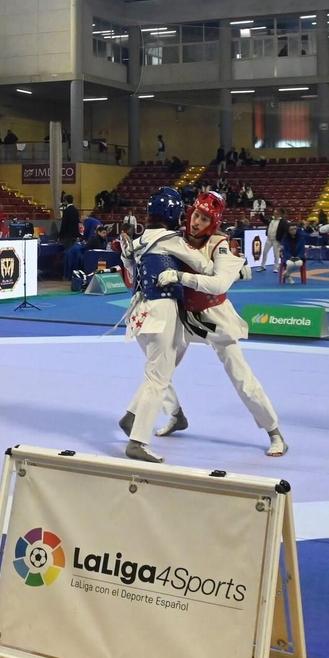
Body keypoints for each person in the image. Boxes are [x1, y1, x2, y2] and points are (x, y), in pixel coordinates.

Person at [159, 189, 287, 457]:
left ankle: (275, 432)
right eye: (196, 215)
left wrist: (180, 276)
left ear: (213, 223)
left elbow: (218, 283)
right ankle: (176, 414)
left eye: (205, 219)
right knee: (158, 372)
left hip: (215, 317)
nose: (197, 222)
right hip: (183, 316)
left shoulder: (221, 244)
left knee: (241, 378)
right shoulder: (176, 237)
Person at [115, 188, 204, 463]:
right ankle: (138, 440)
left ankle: (147, 415)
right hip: (162, 312)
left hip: (140, 313)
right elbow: (203, 266)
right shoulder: (171, 240)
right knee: (158, 377)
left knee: (163, 366)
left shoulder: (138, 241)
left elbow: (129, 269)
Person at [256, 207, 282, 273]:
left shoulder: (282, 221)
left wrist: (281, 241)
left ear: (280, 214)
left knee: (276, 254)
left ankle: (276, 267)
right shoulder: (271, 219)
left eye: (276, 213)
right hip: (269, 239)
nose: (275, 214)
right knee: (264, 252)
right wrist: (261, 215)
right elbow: (265, 221)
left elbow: (283, 231)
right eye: (274, 213)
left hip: (276, 240)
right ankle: (263, 266)